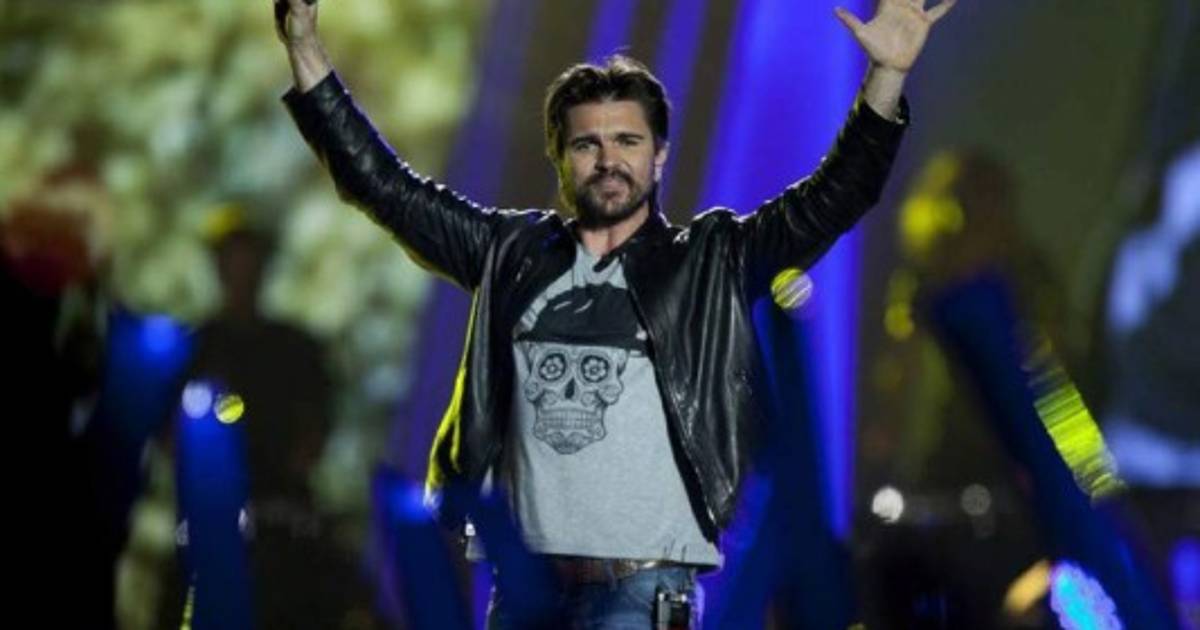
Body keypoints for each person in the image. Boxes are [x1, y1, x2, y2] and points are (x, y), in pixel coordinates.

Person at [272, 0, 953, 626]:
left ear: (659, 157)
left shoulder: (711, 262)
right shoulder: (510, 254)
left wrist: (886, 77)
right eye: (587, 144)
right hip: (526, 591)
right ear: (560, 158)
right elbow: (382, 187)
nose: (608, 161)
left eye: (627, 141)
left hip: (642, 594)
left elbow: (834, 198)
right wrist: (305, 48)